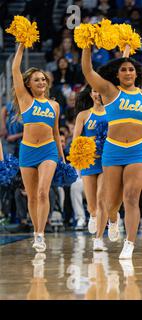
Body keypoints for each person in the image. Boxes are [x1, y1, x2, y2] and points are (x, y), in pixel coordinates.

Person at [81, 43, 142, 260]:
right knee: (111, 202)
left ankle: (129, 243)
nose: (128, 73)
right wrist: (87, 46)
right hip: (113, 150)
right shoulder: (110, 92)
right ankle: (113, 219)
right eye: (123, 69)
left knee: (131, 197)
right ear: (117, 75)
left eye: (131, 69)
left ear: (137, 73)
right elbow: (88, 71)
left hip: (138, 150)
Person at [12, 43, 65, 253]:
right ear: (28, 84)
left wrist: (62, 157)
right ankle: (36, 231)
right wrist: (21, 47)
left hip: (48, 150)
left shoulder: (54, 105)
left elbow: (55, 132)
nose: (41, 82)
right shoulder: (25, 100)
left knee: (43, 192)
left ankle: (41, 234)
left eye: (43, 79)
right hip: (27, 151)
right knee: (32, 196)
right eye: (37, 80)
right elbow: (14, 70)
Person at [72, 85, 108, 250]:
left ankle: (99, 238)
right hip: (89, 162)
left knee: (102, 199)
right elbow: (76, 141)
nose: (98, 94)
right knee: (92, 205)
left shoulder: (111, 113)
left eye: (100, 90)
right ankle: (93, 216)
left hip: (107, 161)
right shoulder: (84, 115)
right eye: (95, 91)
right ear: (91, 94)